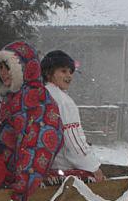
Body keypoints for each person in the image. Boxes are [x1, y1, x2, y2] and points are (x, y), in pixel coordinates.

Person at [0, 40, 63, 201]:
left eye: (8, 67)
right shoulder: (11, 97)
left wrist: (22, 186)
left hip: (22, 185)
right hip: (6, 179)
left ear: (24, 67)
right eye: (0, 67)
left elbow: (37, 144)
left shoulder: (37, 99)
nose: (3, 73)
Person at [40, 50, 105, 183]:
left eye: (70, 72)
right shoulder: (63, 101)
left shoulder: (38, 95)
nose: (69, 76)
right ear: (48, 73)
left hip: (39, 167)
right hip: (59, 169)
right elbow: (74, 142)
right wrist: (93, 167)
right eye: (63, 71)